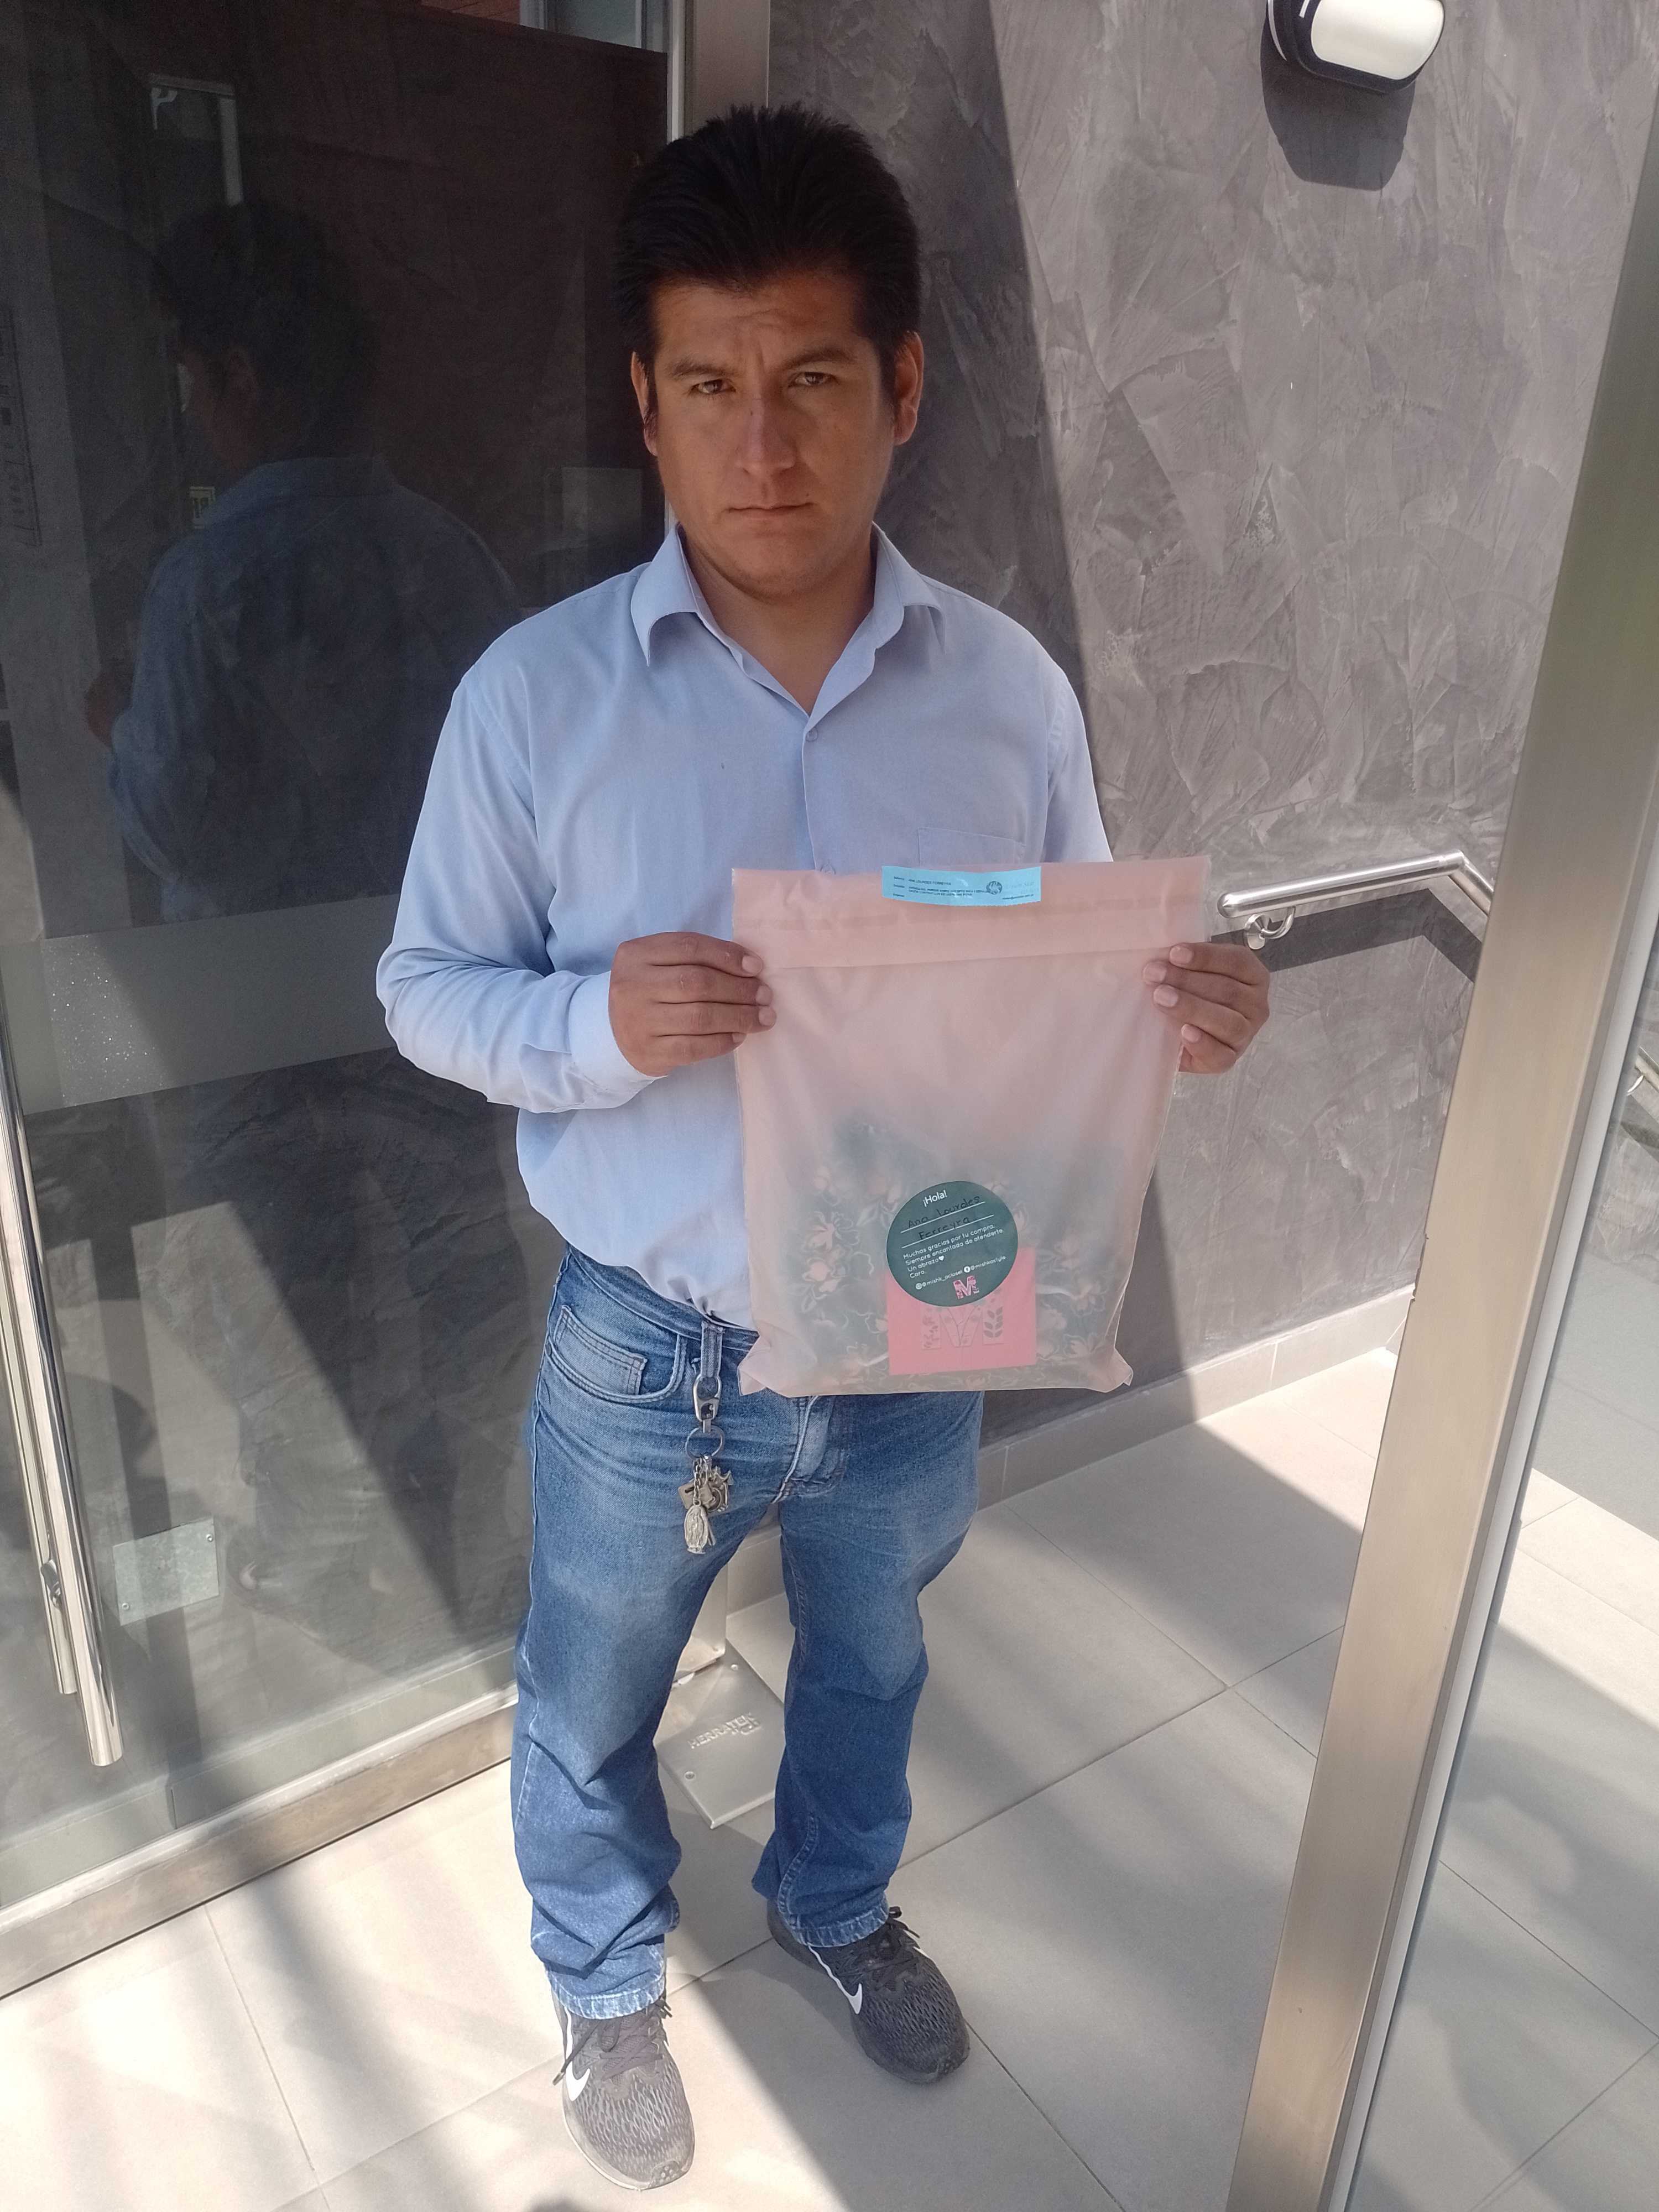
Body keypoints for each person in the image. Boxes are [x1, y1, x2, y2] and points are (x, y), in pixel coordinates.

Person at [379, 106, 1271, 2192]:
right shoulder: (534, 704)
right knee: (590, 1684)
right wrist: (598, 1026)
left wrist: (1178, 1011)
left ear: (905, 387)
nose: (761, 443)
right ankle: (604, 1972)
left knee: (873, 1659)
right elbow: (423, 987)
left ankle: (835, 1901)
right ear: (646, 405)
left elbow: (1070, 963)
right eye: (709, 386)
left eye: (811, 380)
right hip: (648, 1343)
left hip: (917, 1321)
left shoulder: (1007, 694)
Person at [89, 203, 530, 1642]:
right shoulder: (452, 556)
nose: (191, 405)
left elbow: (183, 823)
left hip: (264, 1033)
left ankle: (333, 1578)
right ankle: (484, 1553)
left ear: (244, 379)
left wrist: (114, 740)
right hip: (440, 1009)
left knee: (294, 1310)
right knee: (462, 1279)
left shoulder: (204, 582)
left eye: (191, 373)